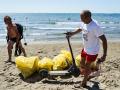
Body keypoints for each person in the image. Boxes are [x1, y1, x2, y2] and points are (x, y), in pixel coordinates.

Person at [66, 10, 107, 87]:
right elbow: (80, 28)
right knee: (82, 64)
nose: (81, 20)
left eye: (82, 18)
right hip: (85, 48)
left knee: (87, 66)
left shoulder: (95, 27)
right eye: (80, 18)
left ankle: (83, 83)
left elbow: (104, 40)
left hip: (93, 51)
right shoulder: (84, 23)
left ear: (88, 17)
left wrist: (104, 54)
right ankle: (91, 72)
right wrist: (72, 33)